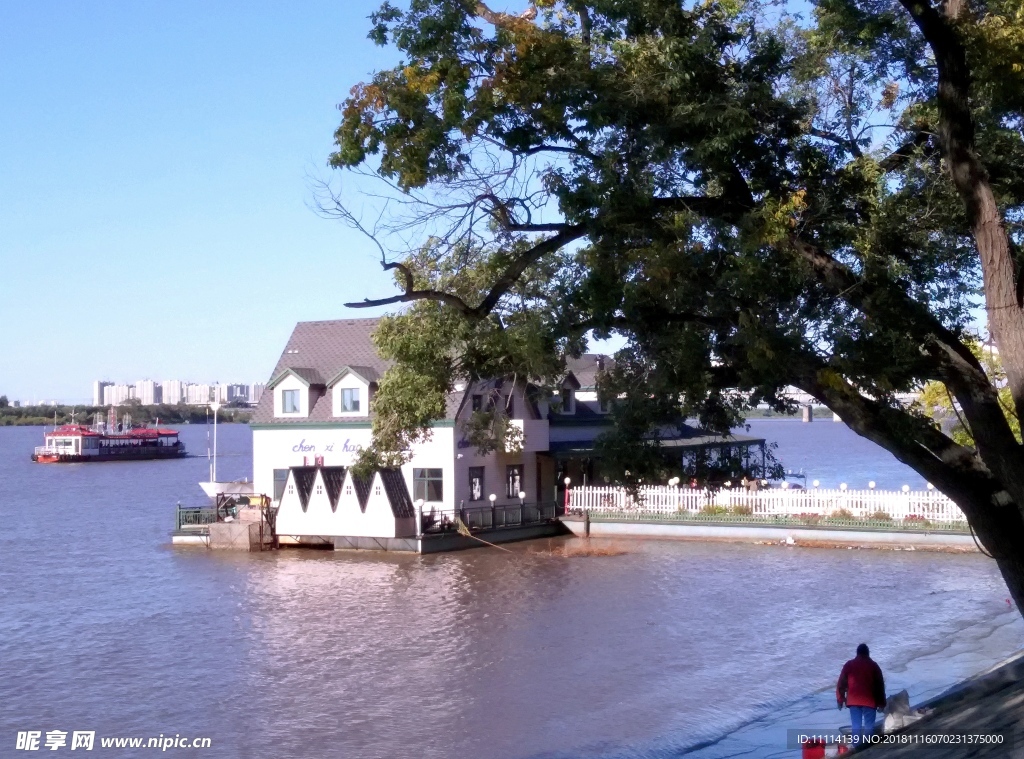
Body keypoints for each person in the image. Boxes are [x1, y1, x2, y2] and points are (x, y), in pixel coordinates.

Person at [837, 643, 886, 749]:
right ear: (868, 653)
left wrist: (840, 699)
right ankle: (867, 748)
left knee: (856, 726)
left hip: (853, 701)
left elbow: (841, 683)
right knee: (869, 726)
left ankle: (857, 749)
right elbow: (880, 686)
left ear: (857, 653)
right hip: (869, 700)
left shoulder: (849, 665)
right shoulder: (873, 665)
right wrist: (881, 703)